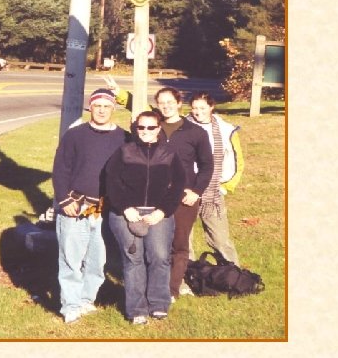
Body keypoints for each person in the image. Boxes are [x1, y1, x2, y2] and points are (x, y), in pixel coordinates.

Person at [103, 76, 213, 301]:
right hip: (153, 197)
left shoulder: (195, 132)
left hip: (184, 196)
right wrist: (119, 92)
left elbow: (207, 165)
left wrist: (197, 191)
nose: (166, 106)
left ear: (179, 103)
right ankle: (147, 288)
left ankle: (171, 289)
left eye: (170, 102)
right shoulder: (152, 127)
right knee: (154, 247)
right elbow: (135, 105)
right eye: (161, 103)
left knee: (178, 244)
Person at [51, 88, 127, 324]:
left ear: (113, 108)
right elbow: (60, 169)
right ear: (91, 107)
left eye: (106, 106)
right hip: (76, 205)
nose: (102, 110)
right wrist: (65, 200)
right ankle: (71, 306)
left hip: (105, 209)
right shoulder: (75, 135)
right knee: (71, 259)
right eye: (97, 106)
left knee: (97, 260)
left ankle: (86, 299)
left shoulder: (124, 138)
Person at [104, 111, 185, 325]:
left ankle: (158, 304)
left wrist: (162, 211)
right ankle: (137, 309)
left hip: (158, 214)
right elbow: (111, 182)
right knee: (134, 260)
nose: (145, 131)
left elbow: (178, 185)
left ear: (159, 129)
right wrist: (125, 208)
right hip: (127, 213)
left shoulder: (169, 153)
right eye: (141, 127)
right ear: (135, 128)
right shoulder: (124, 152)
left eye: (151, 127)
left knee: (159, 257)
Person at [187, 92, 244, 265]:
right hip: (187, 191)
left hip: (213, 192)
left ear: (212, 107)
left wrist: (226, 186)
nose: (198, 112)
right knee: (183, 240)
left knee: (221, 239)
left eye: (202, 108)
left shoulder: (225, 130)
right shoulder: (182, 126)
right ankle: (187, 274)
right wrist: (121, 95)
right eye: (194, 108)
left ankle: (233, 273)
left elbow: (237, 161)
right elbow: (154, 110)